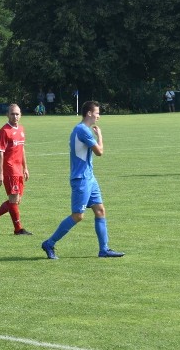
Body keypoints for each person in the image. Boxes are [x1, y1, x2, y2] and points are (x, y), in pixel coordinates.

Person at [41, 101, 124, 259]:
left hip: (89, 178)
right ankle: (49, 243)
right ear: (89, 113)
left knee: (100, 210)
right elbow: (99, 152)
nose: (99, 115)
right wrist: (100, 135)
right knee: (78, 216)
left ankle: (104, 249)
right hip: (81, 179)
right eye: (97, 112)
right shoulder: (82, 130)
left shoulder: (82, 129)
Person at [0, 104, 31, 235]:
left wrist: (25, 167)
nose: (15, 116)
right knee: (14, 200)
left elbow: (22, 149)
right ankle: (18, 229)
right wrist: (0, 173)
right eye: (12, 114)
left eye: (17, 114)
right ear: (7, 115)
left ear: (21, 115)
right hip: (10, 169)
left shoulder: (21, 129)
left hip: (19, 169)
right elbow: (0, 152)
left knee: (16, 201)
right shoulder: (4, 131)